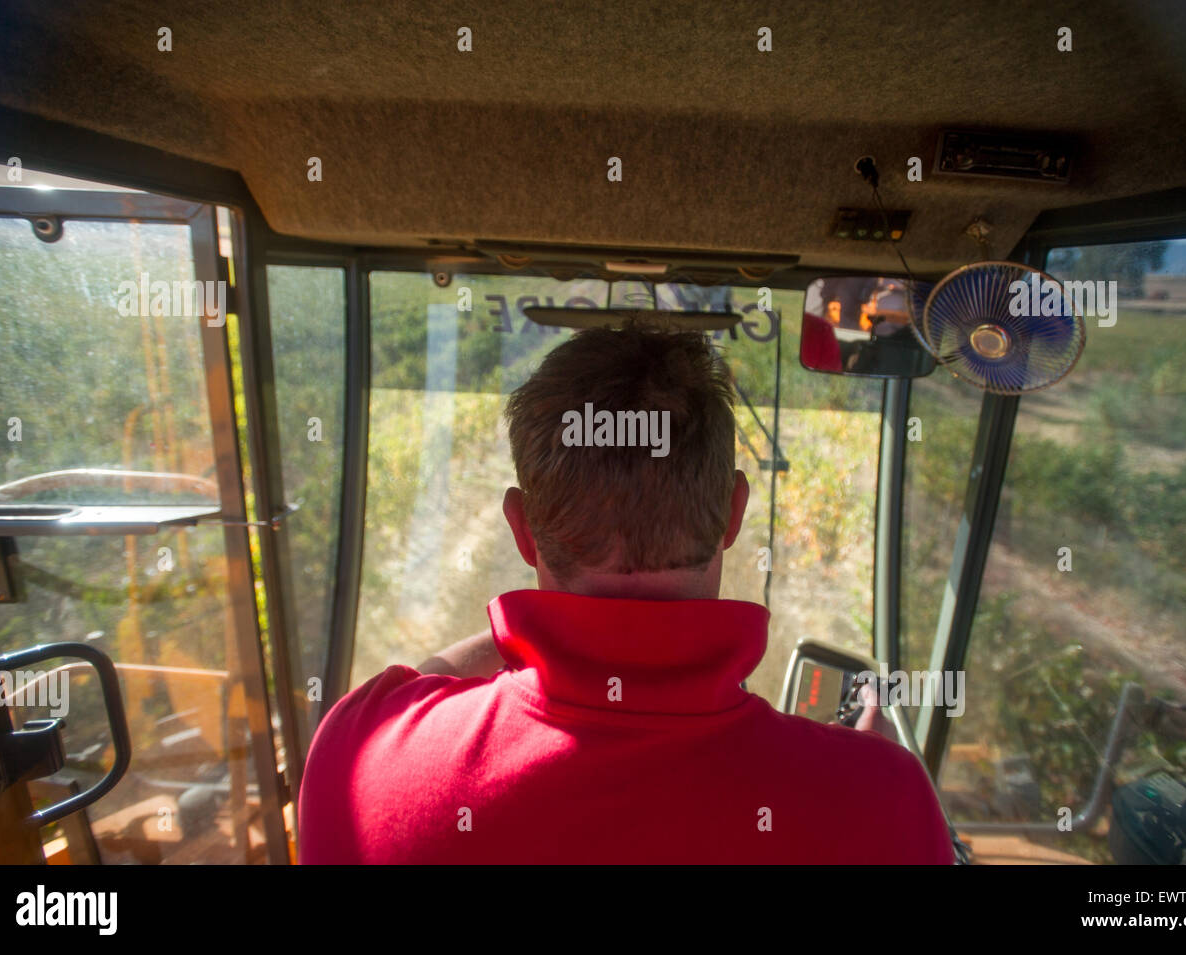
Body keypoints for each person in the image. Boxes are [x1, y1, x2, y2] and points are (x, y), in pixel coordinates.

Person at [297, 323, 954, 864]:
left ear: (522, 531)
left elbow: (408, 686)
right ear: (733, 513)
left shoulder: (357, 756)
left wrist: (522, 637)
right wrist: (877, 782)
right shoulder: (884, 801)